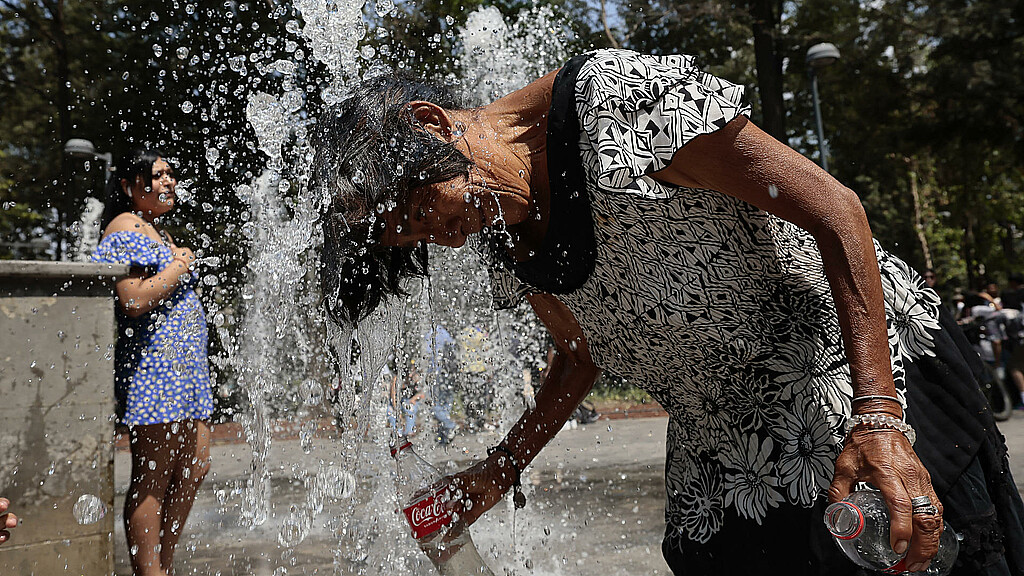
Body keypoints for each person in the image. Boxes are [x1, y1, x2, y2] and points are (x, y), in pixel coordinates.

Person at [311, 49, 1024, 575]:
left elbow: (835, 212)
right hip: (724, 455)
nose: (438, 235)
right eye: (406, 236)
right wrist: (501, 468)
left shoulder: (613, 103)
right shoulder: (501, 231)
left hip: (854, 392)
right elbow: (582, 351)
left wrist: (879, 417)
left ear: (432, 124)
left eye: (418, 208)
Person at [91, 148, 213, 576]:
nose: (168, 182)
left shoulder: (152, 231)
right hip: (155, 371)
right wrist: (180, 265)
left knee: (196, 465)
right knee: (153, 477)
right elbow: (133, 299)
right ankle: (150, 570)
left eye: (170, 174)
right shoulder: (124, 227)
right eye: (156, 175)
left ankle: (164, 562)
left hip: (184, 371)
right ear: (128, 186)